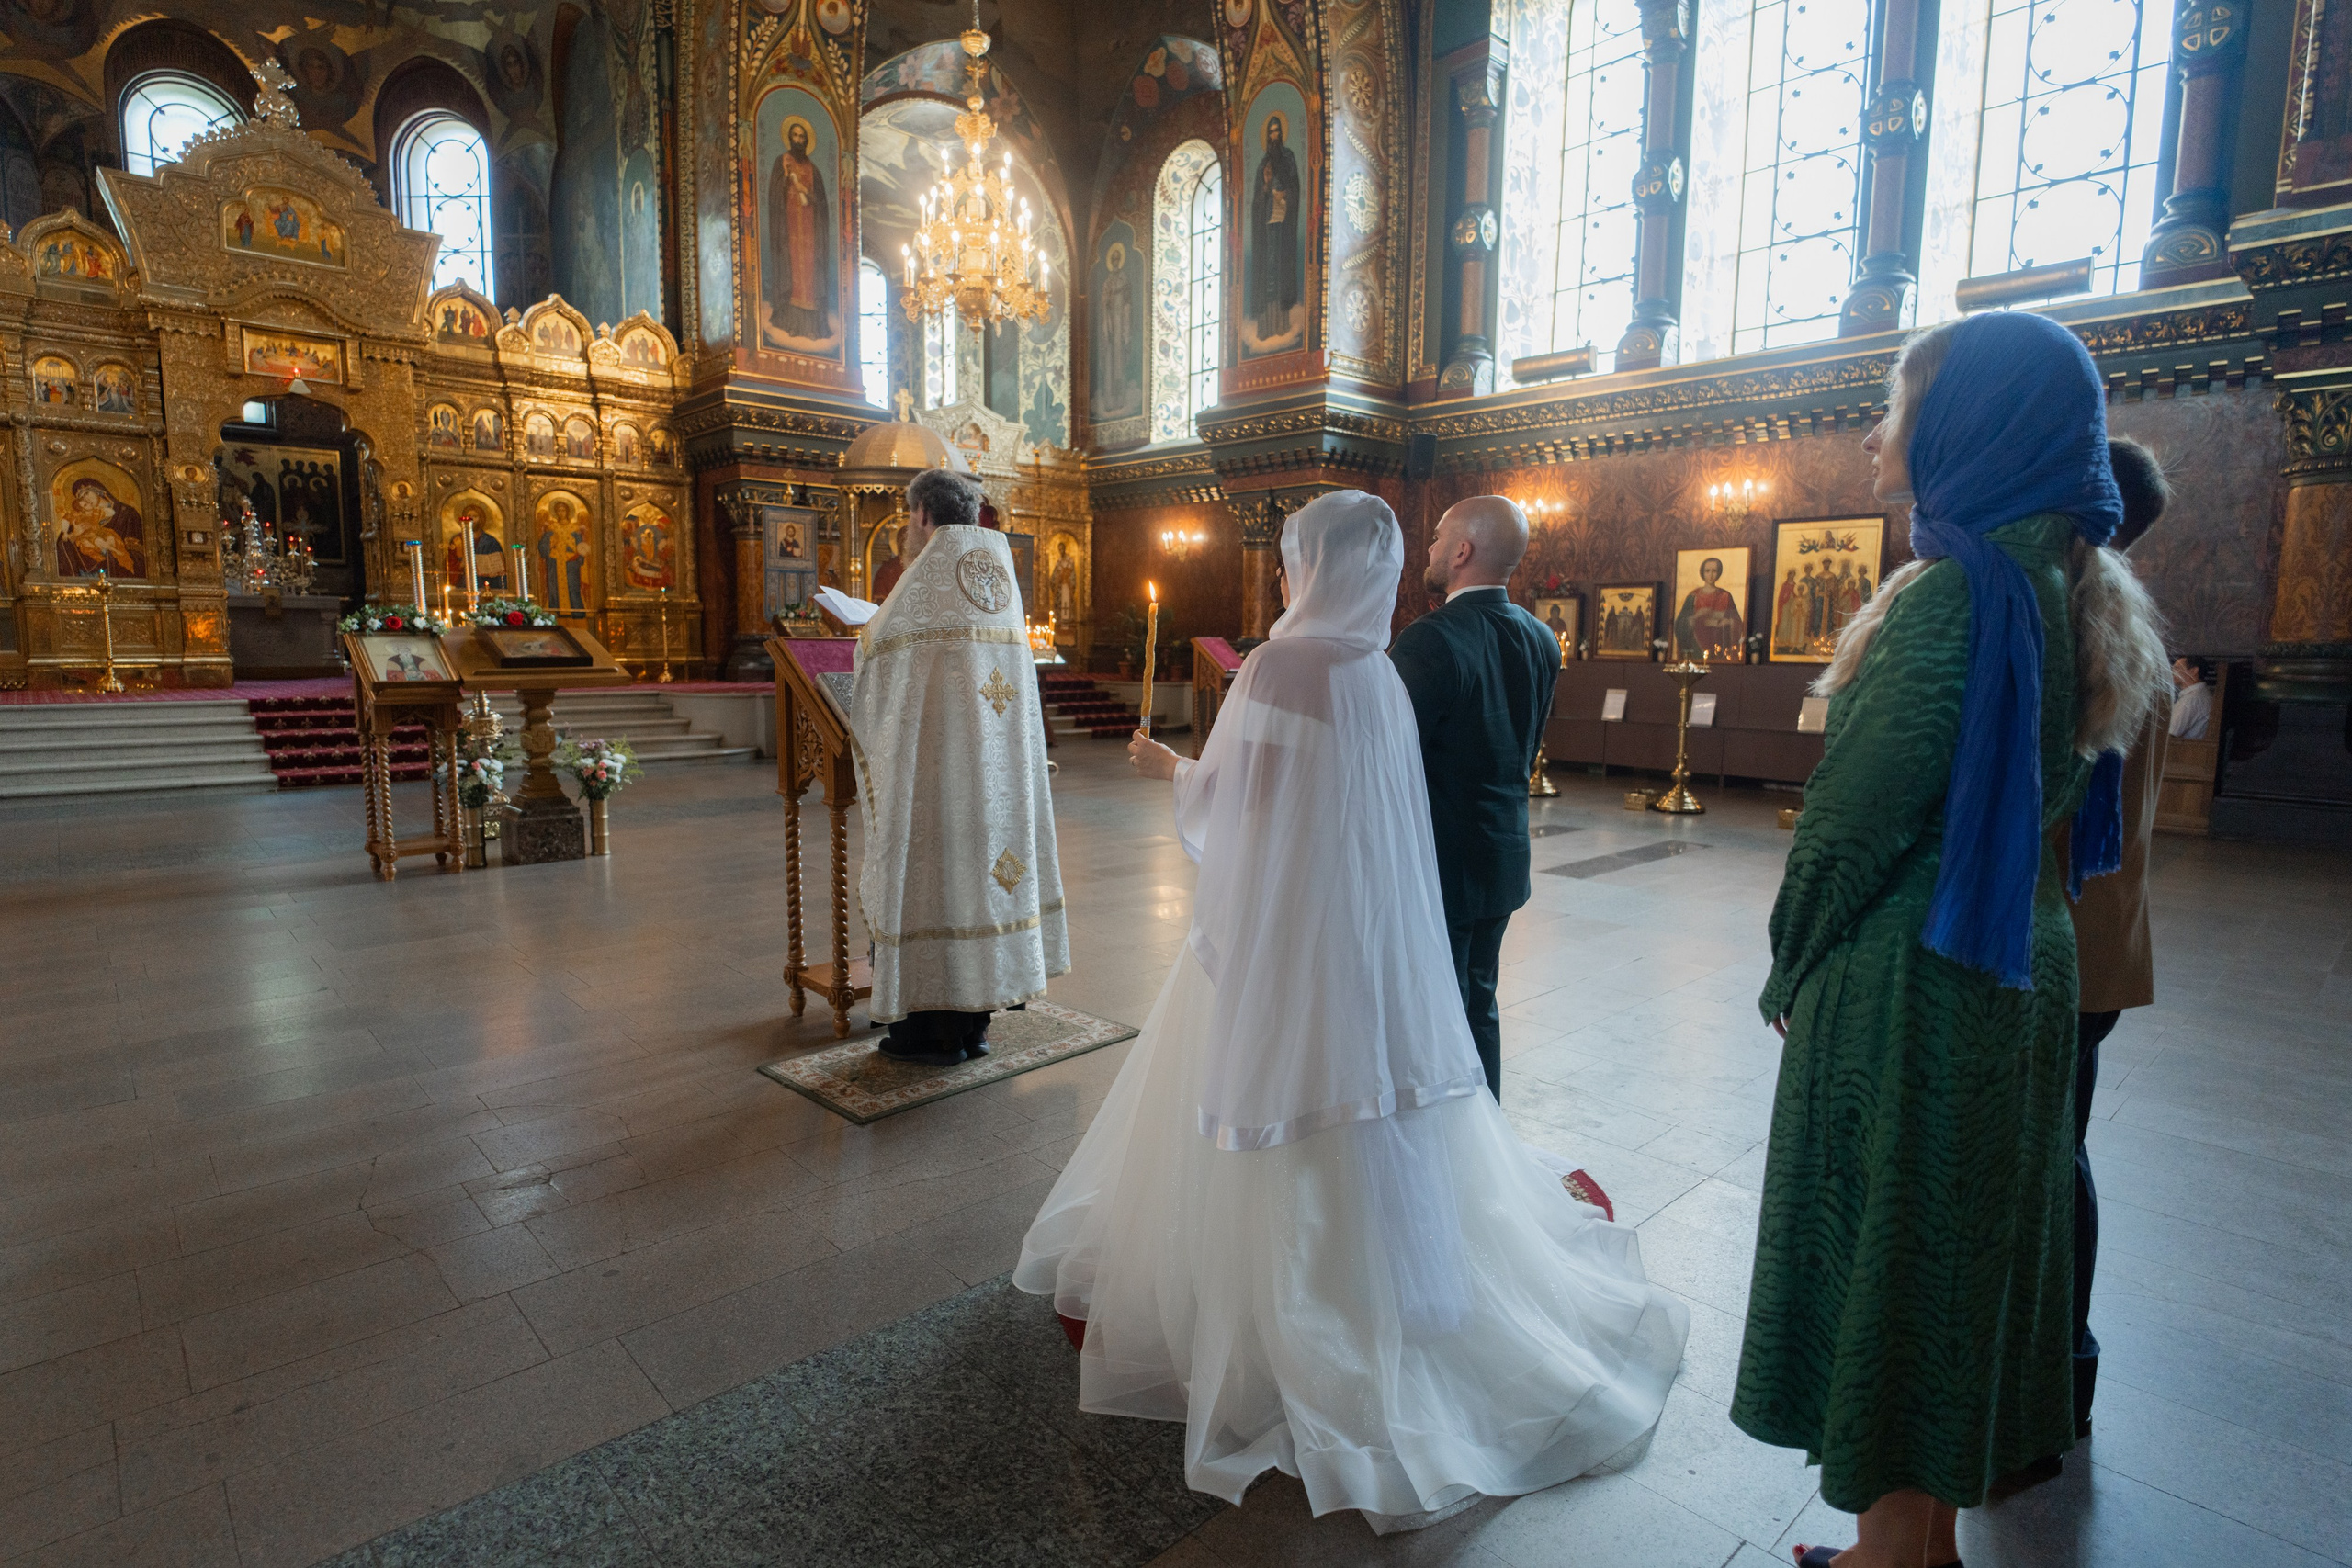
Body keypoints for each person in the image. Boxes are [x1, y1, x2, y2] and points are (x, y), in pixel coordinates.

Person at [1018, 491, 1686, 1529]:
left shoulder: (1284, 665)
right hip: (1369, 927)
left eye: (1290, 560)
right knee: (1368, 1089)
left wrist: (1169, 768)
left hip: (1288, 928)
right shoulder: (1373, 667)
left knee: (1276, 1090)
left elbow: (1242, 804)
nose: (1285, 578)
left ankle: (1281, 1315)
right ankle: (1387, 1281)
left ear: (1313, 565)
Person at [1737, 311, 2167, 1568]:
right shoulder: (2062, 581)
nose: (1876, 432)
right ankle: (1912, 1546)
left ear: (1969, 427)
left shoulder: (1952, 597)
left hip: (1914, 979)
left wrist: (1790, 953)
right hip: (2011, 960)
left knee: (1893, 1250)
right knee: (1945, 1254)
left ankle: (1891, 1555)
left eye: (1897, 407)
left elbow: (1851, 820)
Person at [1986, 435, 2174, 1500]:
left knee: (2045, 1162)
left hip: (2056, 935)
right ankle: (2062, 1372)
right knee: (2063, 1152)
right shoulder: (2122, 612)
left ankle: (2042, 1393)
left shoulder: (2077, 620)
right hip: (2100, 940)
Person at [849, 468, 1066, 1066]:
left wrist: (859, 639)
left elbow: (877, 650)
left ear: (923, 515)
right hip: (996, 771)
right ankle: (976, 1023)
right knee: (987, 877)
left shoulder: (930, 573)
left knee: (938, 882)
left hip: (939, 772)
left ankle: (933, 1031)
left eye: (908, 518)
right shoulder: (996, 566)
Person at [1387, 494, 1560, 1102]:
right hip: (1505, 854)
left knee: (1436, 1010)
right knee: (1478, 1001)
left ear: (1462, 551)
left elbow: (1387, 754)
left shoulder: (1429, 639)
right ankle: (1486, 1138)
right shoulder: (1543, 638)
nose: (1428, 550)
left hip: (1440, 860)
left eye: (1436, 539)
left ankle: (1452, 1150)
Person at [2169, 655, 2211, 739]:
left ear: (2193, 671)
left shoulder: (2192, 699)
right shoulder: (2198, 694)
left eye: (2177, 668)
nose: (2171, 671)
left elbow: (2171, 734)